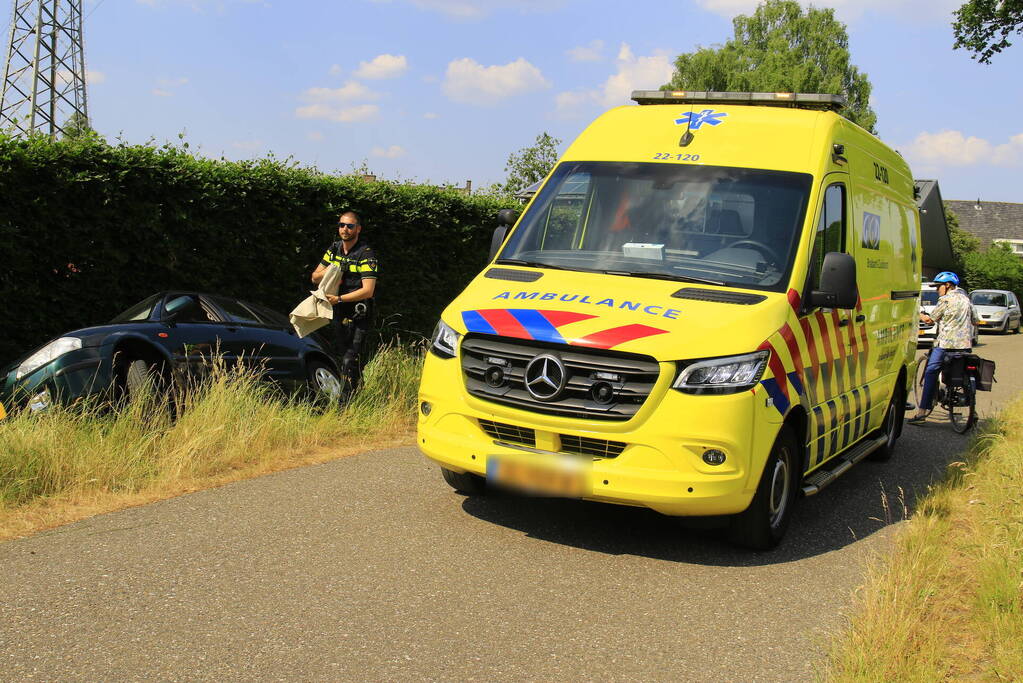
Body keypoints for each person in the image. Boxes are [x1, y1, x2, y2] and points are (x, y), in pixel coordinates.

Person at [311, 210, 378, 397]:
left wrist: (339, 298)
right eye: (341, 225)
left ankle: (346, 401)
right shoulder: (334, 249)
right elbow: (315, 277)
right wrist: (332, 271)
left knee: (351, 357)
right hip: (338, 310)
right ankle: (357, 393)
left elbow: (368, 290)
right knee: (341, 355)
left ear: (358, 229)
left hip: (359, 312)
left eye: (349, 226)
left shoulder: (366, 254)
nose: (345, 229)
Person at [908, 271, 978, 425]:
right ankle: (973, 411)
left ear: (947, 285)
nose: (936, 290)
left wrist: (918, 313)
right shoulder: (967, 300)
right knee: (962, 372)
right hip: (965, 347)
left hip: (945, 345)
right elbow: (976, 321)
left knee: (931, 372)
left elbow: (930, 320)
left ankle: (921, 414)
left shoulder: (945, 300)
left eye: (938, 287)